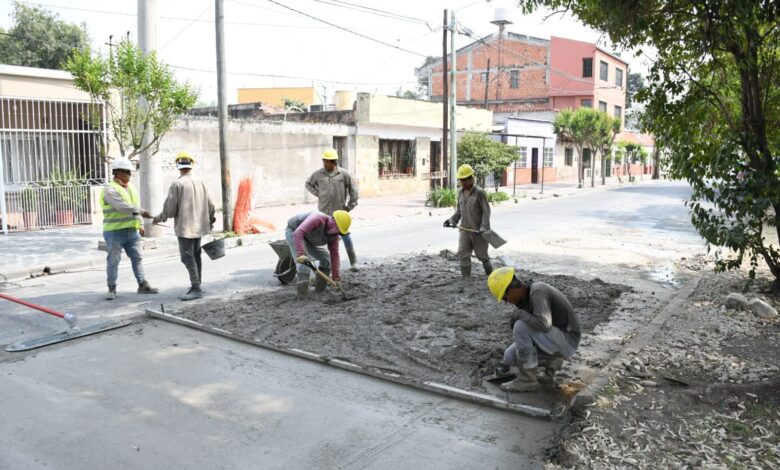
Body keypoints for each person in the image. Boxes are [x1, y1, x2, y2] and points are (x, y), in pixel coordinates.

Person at [487, 267, 581, 392]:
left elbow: (544, 324)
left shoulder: (537, 291)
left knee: (520, 326)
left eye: (505, 298)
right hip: (556, 339)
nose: (507, 302)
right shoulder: (525, 298)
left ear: (511, 291)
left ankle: (527, 380)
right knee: (510, 355)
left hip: (568, 340)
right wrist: (505, 364)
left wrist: (519, 314)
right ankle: (552, 362)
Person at [151, 151, 216, 301]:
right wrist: (211, 220)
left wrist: (159, 218)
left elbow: (170, 209)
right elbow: (211, 204)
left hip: (186, 228)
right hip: (199, 227)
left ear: (178, 166)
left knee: (187, 258)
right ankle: (197, 284)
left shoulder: (177, 184)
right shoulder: (201, 182)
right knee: (196, 255)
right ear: (191, 165)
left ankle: (196, 288)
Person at [101, 157, 159, 300]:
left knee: (137, 258)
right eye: (127, 172)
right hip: (114, 232)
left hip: (131, 231)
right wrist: (141, 212)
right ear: (118, 173)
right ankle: (111, 288)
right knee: (113, 260)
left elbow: (135, 203)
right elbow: (123, 207)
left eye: (130, 172)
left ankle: (142, 284)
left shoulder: (131, 188)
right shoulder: (110, 190)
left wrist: (139, 223)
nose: (129, 175)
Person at [305, 148, 359, 271]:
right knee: (323, 238)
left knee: (345, 236)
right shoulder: (318, 174)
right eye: (324, 161)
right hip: (323, 213)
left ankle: (353, 262)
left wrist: (348, 207)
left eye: (328, 161)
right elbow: (308, 184)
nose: (325, 163)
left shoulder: (344, 174)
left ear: (334, 162)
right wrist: (319, 193)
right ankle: (326, 264)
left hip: (339, 214)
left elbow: (354, 191)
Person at [286, 210, 351, 300]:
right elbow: (299, 232)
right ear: (333, 221)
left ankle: (319, 290)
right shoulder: (318, 218)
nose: (338, 233)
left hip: (308, 238)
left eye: (340, 231)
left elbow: (334, 255)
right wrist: (301, 254)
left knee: (327, 260)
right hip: (294, 232)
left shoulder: (334, 237)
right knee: (304, 264)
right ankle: (302, 296)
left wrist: (336, 277)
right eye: (338, 229)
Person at [443, 164, 493, 276]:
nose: (463, 182)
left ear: (472, 178)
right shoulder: (460, 193)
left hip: (478, 232)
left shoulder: (479, 192)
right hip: (464, 230)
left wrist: (484, 227)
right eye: (461, 180)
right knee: (463, 254)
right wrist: (451, 220)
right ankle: (466, 280)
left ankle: (491, 276)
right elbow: (459, 212)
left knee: (482, 256)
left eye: (465, 180)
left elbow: (486, 211)